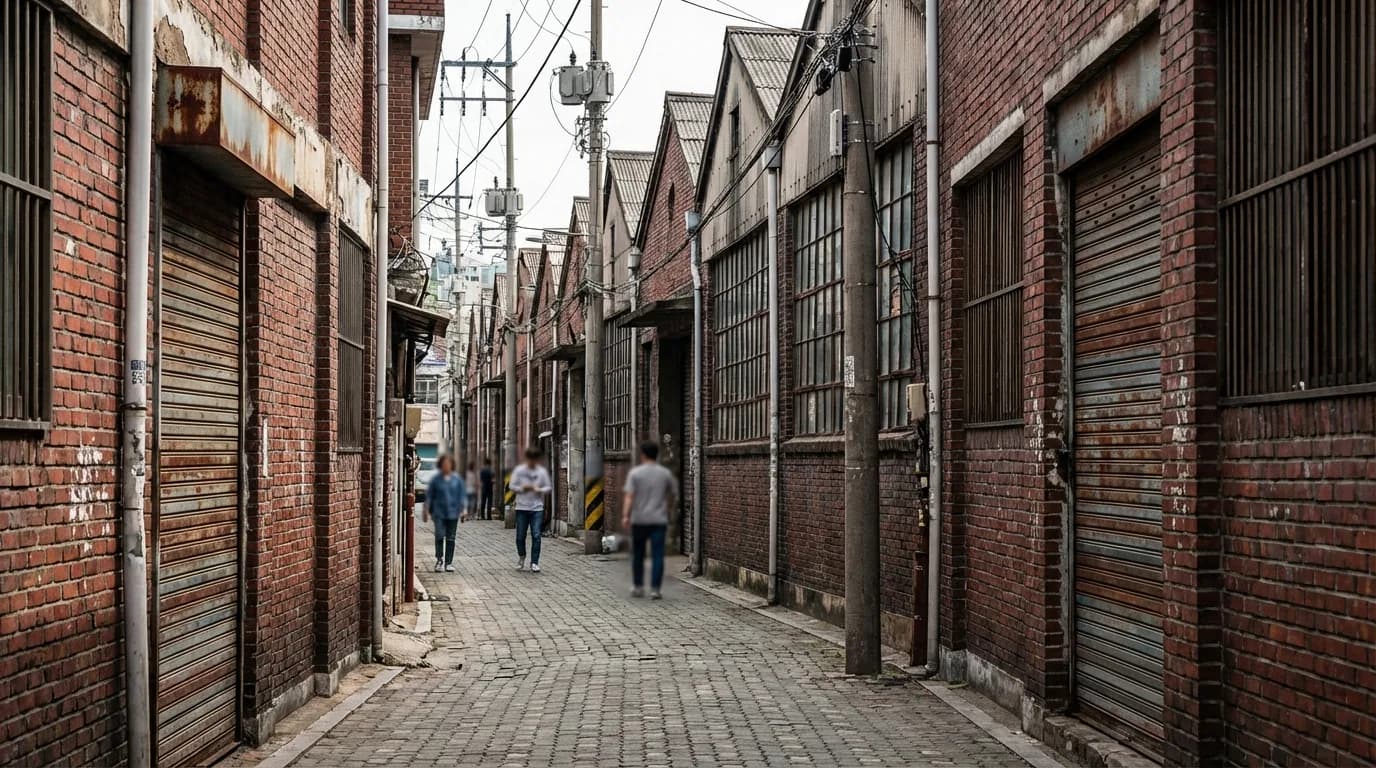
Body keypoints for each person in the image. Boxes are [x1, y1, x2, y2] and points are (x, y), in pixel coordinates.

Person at [622, 441, 678, 599]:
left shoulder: (635, 473)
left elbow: (629, 497)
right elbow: (673, 495)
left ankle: (638, 586)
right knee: (658, 555)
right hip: (659, 519)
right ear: (656, 455)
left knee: (638, 554)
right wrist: (667, 509)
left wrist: (625, 516)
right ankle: (655, 589)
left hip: (639, 520)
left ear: (643, 455)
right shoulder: (665, 473)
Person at [509, 446, 552, 572]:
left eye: (535, 459)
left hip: (537, 508)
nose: (532, 462)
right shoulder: (519, 471)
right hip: (521, 507)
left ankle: (534, 562)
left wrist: (538, 489)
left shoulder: (541, 472)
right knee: (520, 536)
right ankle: (521, 556)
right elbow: (511, 486)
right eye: (530, 459)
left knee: (536, 535)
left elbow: (548, 487)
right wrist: (522, 488)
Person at [422, 455, 466, 573]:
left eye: (448, 464)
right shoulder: (436, 480)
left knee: (451, 538)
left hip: (453, 513)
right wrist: (426, 510)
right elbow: (429, 496)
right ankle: (439, 560)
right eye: (444, 464)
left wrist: (463, 510)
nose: (446, 466)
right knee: (440, 536)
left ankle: (449, 562)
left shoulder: (457, 480)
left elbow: (461, 496)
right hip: (439, 513)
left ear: (452, 465)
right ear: (441, 465)